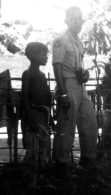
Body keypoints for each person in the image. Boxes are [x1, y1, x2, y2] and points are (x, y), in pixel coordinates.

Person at [52, 6, 98, 177]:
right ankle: (61, 165)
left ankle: (87, 160)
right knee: (67, 126)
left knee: (90, 122)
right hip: (67, 85)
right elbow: (57, 67)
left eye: (80, 18)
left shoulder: (79, 42)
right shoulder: (60, 40)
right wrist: (63, 93)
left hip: (80, 86)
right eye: (74, 18)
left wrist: (85, 74)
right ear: (66, 20)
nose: (78, 22)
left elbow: (78, 67)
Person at [21, 42, 51, 189]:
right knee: (32, 151)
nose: (46, 57)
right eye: (43, 54)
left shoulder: (42, 75)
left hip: (43, 115)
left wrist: (50, 116)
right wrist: (31, 119)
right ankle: (30, 185)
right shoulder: (28, 74)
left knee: (42, 150)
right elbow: (25, 97)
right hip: (33, 115)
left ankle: (37, 183)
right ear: (33, 56)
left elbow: (46, 98)